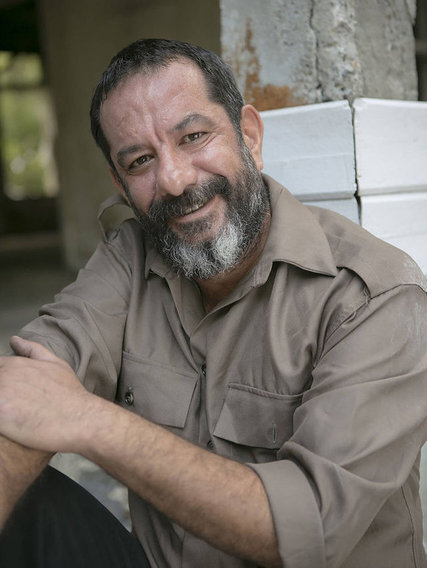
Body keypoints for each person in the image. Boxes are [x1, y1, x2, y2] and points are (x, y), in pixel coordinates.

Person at [0, 38, 426, 568]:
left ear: (250, 135)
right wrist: (36, 406)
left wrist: (91, 422)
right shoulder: (131, 255)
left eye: (194, 137)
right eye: (140, 161)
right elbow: (31, 381)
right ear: (121, 183)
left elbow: (313, 526)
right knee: (33, 508)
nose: (175, 180)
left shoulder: (374, 294)